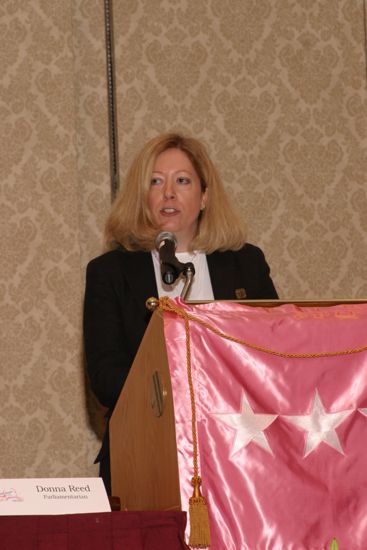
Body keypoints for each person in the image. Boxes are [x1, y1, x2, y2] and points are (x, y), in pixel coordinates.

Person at [83, 133, 278, 494]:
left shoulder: (245, 265)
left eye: (182, 181)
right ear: (143, 197)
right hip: (143, 453)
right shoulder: (110, 272)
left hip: (240, 453)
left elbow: (275, 353)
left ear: (204, 196)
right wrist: (181, 395)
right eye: (156, 182)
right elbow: (106, 377)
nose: (168, 193)